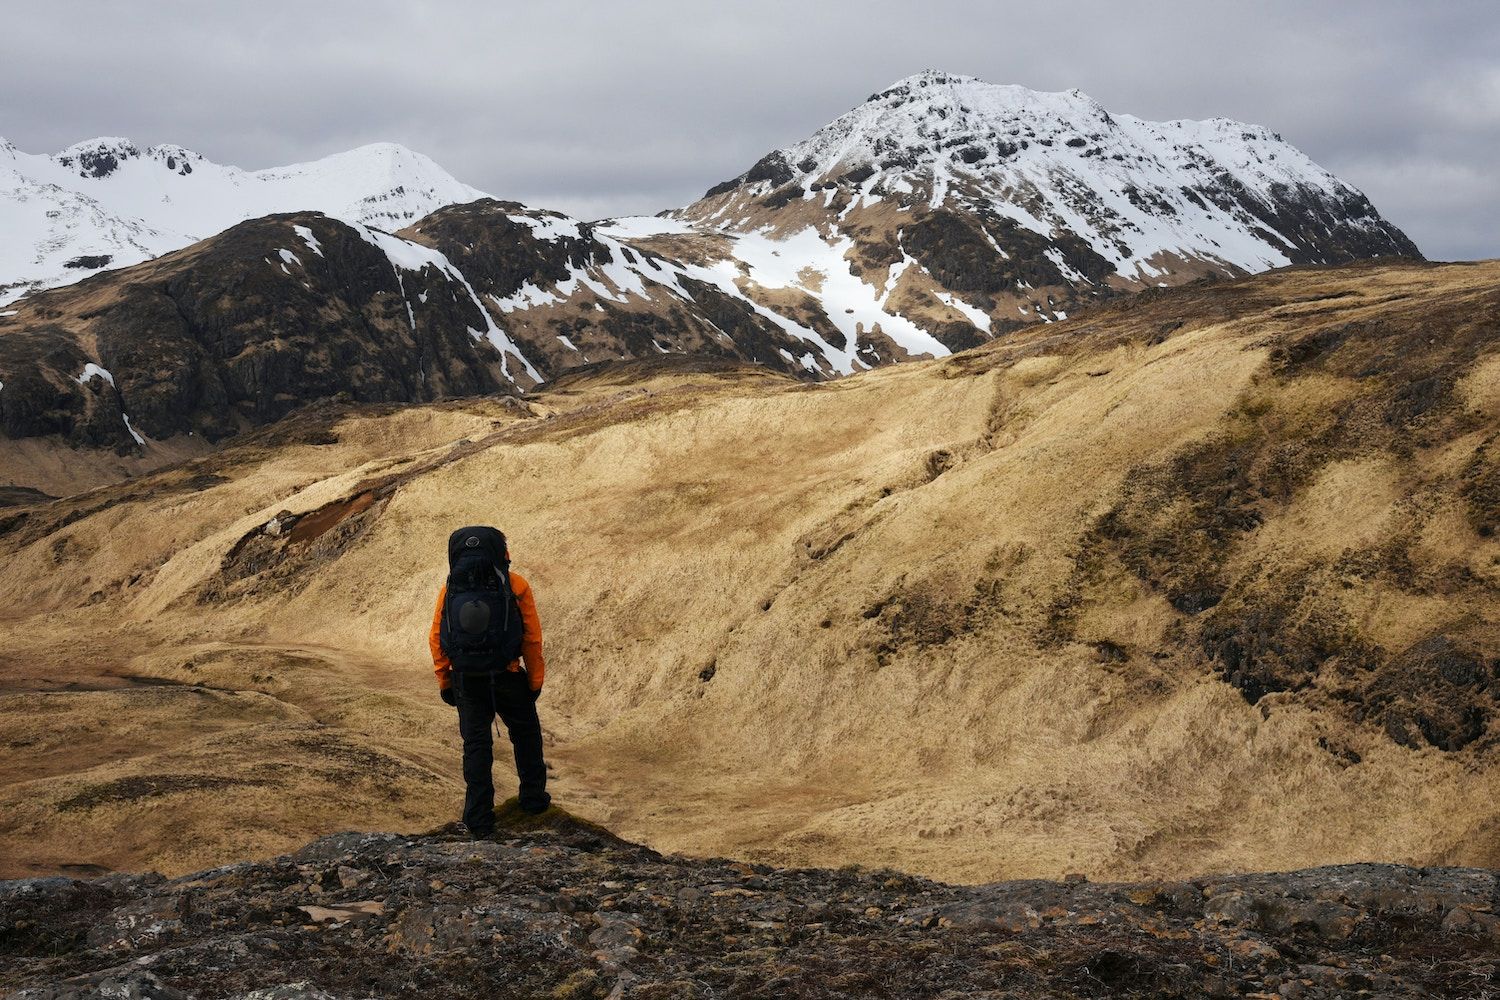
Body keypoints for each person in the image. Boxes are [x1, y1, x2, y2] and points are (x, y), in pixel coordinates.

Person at [428, 525, 550, 837]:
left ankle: (479, 820)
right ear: (502, 553)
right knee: (526, 736)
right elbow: (532, 639)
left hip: (466, 679)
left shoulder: (450, 588)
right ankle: (533, 801)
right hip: (508, 675)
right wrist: (534, 682)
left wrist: (445, 681)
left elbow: (436, 638)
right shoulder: (516, 584)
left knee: (476, 747)